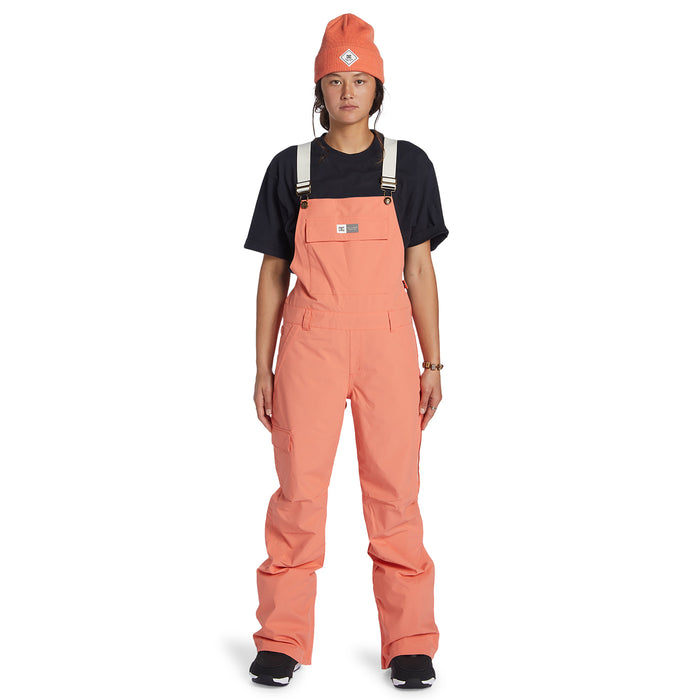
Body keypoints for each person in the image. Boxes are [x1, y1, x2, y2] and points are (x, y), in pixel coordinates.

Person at [243, 13, 449, 689]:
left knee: (395, 494)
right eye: (335, 80)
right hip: (310, 343)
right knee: (299, 493)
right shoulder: (291, 168)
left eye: (360, 81)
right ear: (319, 89)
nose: (348, 92)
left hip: (388, 342)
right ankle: (282, 638)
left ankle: (410, 642)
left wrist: (433, 362)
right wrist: (263, 366)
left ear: (378, 88)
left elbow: (419, 270)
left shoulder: (408, 166)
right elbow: (273, 273)